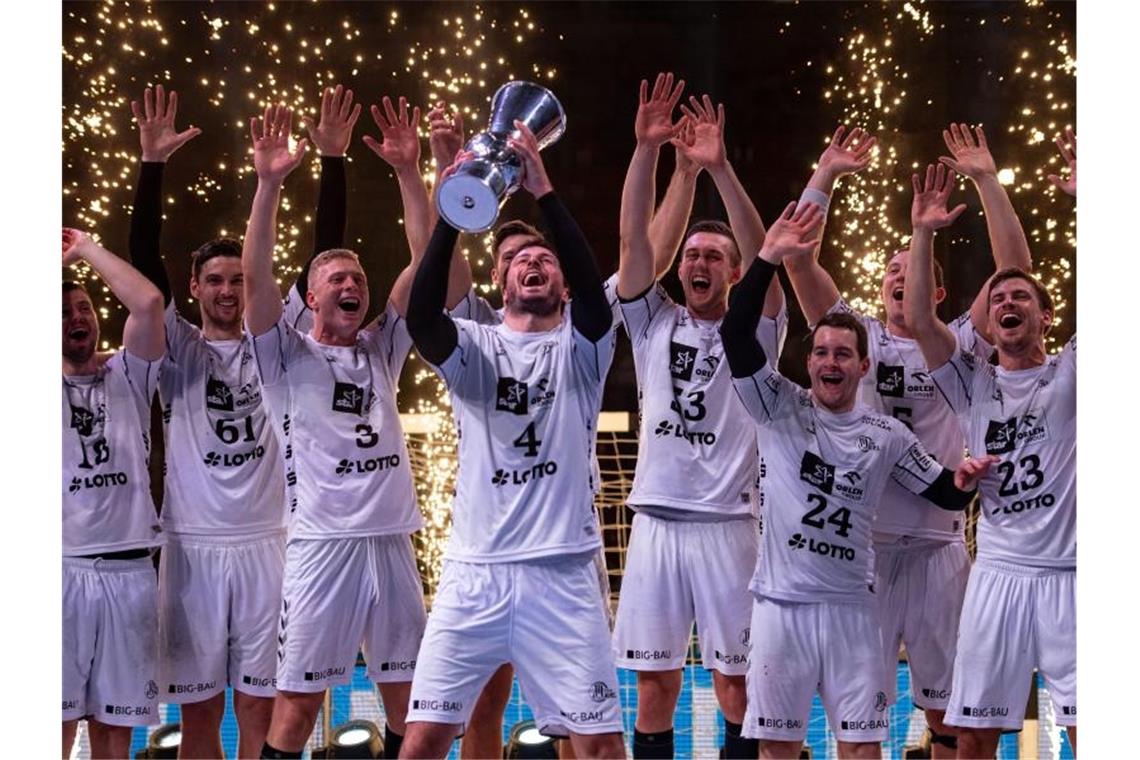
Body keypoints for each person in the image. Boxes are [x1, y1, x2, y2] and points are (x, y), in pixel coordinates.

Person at [781, 122, 1033, 756]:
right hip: (861, 554)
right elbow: (800, 256)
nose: (900, 276)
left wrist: (986, 181)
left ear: (935, 290)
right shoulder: (852, 340)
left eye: (911, 270)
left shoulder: (952, 342)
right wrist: (827, 173)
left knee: (949, 713)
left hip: (938, 546)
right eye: (891, 270)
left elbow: (1013, 270)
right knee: (856, 715)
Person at [126, 84, 360, 758]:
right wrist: (150, 165)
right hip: (192, 547)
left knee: (263, 705)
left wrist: (333, 160)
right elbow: (145, 264)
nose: (230, 290)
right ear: (194, 288)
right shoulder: (172, 348)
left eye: (238, 279)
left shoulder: (279, 337)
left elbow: (327, 253)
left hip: (271, 543)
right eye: (216, 281)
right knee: (198, 717)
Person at [719, 201, 995, 760]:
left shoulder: (885, 434)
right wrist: (768, 256)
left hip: (853, 608)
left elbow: (941, 490)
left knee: (863, 751)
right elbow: (735, 332)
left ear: (862, 367)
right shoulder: (779, 408)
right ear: (809, 360)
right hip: (780, 606)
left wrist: (965, 479)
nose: (830, 361)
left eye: (843, 353)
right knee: (776, 749)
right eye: (820, 351)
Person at [400, 122, 624, 760]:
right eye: (520, 260)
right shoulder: (477, 346)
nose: (534, 262)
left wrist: (546, 192)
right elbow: (421, 318)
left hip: (563, 574)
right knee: (420, 743)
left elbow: (599, 303)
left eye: (545, 260)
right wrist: (451, 204)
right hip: (475, 574)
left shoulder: (583, 349)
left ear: (565, 286)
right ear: (500, 286)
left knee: (602, 746)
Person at [241, 101, 430, 760]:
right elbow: (258, 277)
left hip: (393, 544)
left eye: (358, 276)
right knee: (295, 710)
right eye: (336, 278)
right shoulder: (283, 353)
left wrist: (411, 173)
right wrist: (267, 187)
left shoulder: (382, 345)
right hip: (323, 547)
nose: (352, 282)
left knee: (413, 705)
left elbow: (426, 261)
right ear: (312, 299)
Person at [612, 73, 785, 760]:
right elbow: (633, 248)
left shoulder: (755, 334)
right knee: (653, 686)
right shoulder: (653, 322)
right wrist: (648, 154)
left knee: (737, 685)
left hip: (727, 524)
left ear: (734, 273)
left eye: (715, 256)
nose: (699, 261)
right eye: (692, 255)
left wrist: (720, 167)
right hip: (654, 518)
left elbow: (766, 257)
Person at [904, 151, 1076, 758]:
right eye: (999, 295)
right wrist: (923, 233)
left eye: (1022, 296)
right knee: (970, 734)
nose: (1008, 301)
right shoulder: (972, 381)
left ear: (1045, 316)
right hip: (998, 576)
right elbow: (921, 318)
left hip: (1075, 577)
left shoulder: (1074, 372)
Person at [62, 228, 166, 759]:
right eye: (63, 313)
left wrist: (84, 249)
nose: (78, 319)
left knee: (114, 734)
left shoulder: (129, 371)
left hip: (130, 572)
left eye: (84, 309)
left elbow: (148, 302)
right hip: (59, 571)